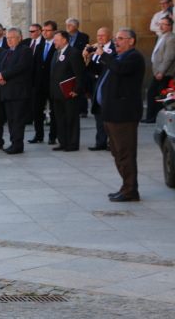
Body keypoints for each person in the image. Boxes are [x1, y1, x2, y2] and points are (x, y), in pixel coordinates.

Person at [94, 29, 146, 201]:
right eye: (115, 39)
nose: (116, 42)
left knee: (125, 153)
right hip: (111, 113)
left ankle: (131, 190)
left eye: (120, 39)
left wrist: (105, 55)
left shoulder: (133, 57)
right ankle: (126, 186)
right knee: (117, 153)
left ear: (131, 41)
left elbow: (121, 70)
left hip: (124, 115)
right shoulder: (117, 57)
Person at [0, 28, 33, 154]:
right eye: (7, 38)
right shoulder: (5, 53)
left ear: (20, 38)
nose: (9, 40)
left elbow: (20, 67)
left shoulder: (25, 51)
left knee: (17, 119)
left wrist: (3, 76)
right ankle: (13, 142)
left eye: (12, 38)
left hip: (18, 92)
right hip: (6, 91)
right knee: (10, 120)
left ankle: (18, 145)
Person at [50, 30, 86, 152]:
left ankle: (72, 143)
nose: (54, 42)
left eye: (56, 39)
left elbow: (79, 73)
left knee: (71, 118)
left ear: (64, 40)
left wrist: (77, 89)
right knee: (60, 119)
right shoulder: (56, 53)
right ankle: (63, 142)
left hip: (70, 92)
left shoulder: (73, 53)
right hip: (57, 93)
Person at [84, 27, 116, 150]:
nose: (100, 38)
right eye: (98, 35)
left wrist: (102, 54)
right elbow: (92, 68)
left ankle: (111, 142)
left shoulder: (113, 49)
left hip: (107, 86)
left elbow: (111, 64)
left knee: (109, 116)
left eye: (103, 35)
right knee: (98, 116)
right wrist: (87, 57)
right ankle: (100, 142)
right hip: (95, 86)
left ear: (110, 36)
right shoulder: (96, 49)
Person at [30, 21, 58, 144]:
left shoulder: (57, 46)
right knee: (36, 111)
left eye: (48, 30)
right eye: (44, 30)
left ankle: (53, 136)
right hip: (39, 84)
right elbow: (34, 65)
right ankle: (38, 135)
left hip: (52, 84)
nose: (45, 33)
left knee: (54, 112)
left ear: (54, 32)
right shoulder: (40, 45)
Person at [143, 16, 175, 123]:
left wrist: (161, 71)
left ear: (170, 26)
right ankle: (151, 117)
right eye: (159, 24)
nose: (160, 26)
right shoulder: (161, 37)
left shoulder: (171, 38)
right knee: (153, 93)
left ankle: (155, 117)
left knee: (158, 95)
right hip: (157, 72)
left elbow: (169, 57)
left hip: (164, 73)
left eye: (164, 24)